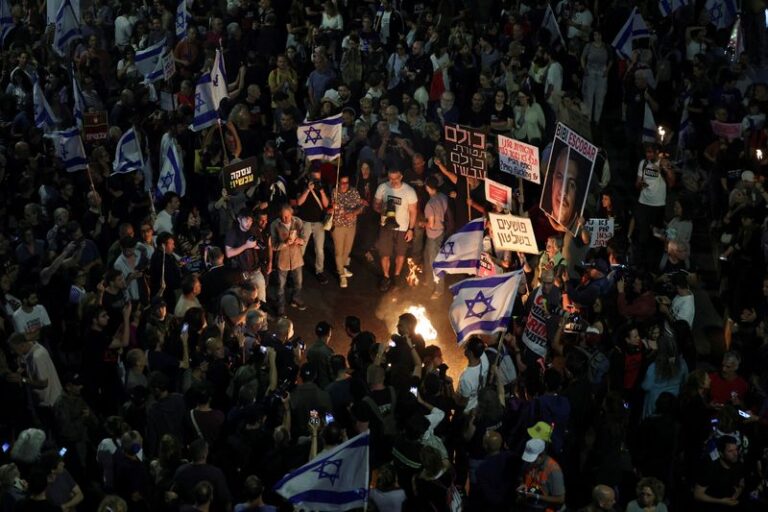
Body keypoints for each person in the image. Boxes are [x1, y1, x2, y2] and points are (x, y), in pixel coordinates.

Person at [373, 168, 418, 291]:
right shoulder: (383, 187)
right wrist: (383, 209)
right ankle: (386, 277)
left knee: (400, 254)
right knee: (384, 253)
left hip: (402, 228)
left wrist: (411, 229)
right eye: (390, 178)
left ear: (401, 176)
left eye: (395, 178)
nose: (392, 181)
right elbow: (375, 205)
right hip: (386, 226)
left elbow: (413, 212)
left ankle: (397, 276)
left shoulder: (409, 191)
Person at [225, 208, 267, 305]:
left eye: (251, 220)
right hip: (241, 274)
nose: (249, 223)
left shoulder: (254, 229)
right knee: (244, 302)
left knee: (261, 300)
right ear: (239, 220)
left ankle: (260, 318)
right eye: (246, 220)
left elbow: (262, 245)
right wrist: (246, 246)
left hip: (255, 270)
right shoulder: (233, 233)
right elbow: (228, 253)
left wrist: (257, 245)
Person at [542, 146, 588, 234]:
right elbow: (558, 227)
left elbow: (587, 240)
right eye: (559, 177)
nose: (563, 191)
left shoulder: (580, 222)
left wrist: (582, 227)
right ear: (553, 182)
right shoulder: (542, 210)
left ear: (576, 193)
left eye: (572, 184)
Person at [270, 205, 306, 316]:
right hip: (283, 259)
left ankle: (296, 298)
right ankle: (281, 306)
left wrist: (300, 241)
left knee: (298, 282)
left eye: (288, 216)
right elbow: (273, 246)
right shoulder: (275, 225)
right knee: (281, 285)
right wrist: (285, 244)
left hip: (296, 258)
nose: (286, 219)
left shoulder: (297, 222)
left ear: (292, 214)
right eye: (283, 217)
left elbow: (304, 238)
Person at [693, 436, 745, 511]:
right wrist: (721, 501)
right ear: (721, 453)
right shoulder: (710, 467)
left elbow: (741, 484)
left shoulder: (738, 464)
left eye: (736, 449)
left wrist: (736, 495)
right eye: (730, 451)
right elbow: (697, 494)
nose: (735, 454)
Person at [330, 175, 363, 288]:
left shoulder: (353, 192)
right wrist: (333, 207)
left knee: (347, 250)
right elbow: (330, 208)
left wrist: (353, 213)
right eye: (342, 182)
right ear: (338, 182)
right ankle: (341, 275)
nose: (344, 185)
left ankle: (341, 267)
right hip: (338, 225)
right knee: (339, 251)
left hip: (351, 225)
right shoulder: (334, 191)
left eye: (346, 182)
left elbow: (360, 206)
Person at [517, 438, 566, 511]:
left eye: (533, 460)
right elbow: (522, 476)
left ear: (542, 456)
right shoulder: (528, 462)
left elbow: (560, 499)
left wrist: (537, 496)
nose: (530, 463)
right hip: (530, 506)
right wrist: (522, 484)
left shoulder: (554, 471)